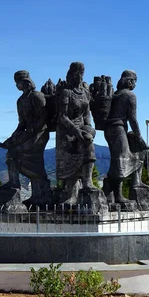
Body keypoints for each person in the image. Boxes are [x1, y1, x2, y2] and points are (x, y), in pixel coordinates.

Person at [0, 70, 51, 206]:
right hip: (27, 133)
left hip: (39, 134)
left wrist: (30, 132)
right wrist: (12, 138)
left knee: (17, 153)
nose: (17, 86)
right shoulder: (20, 101)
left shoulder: (37, 96)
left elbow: (43, 118)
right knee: (11, 151)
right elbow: (21, 123)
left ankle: (39, 191)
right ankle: (13, 183)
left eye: (19, 83)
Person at [103, 70, 149, 204]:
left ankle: (113, 189)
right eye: (135, 82)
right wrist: (139, 136)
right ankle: (118, 195)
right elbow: (133, 119)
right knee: (121, 160)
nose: (135, 85)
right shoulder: (130, 95)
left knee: (119, 158)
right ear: (130, 81)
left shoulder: (115, 95)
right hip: (118, 129)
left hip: (110, 130)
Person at [55, 62, 98, 205]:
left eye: (82, 73)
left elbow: (87, 116)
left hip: (82, 128)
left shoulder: (85, 93)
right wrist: (77, 132)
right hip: (67, 131)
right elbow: (62, 116)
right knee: (71, 161)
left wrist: (89, 130)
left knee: (89, 146)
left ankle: (87, 182)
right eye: (77, 73)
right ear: (71, 74)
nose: (79, 76)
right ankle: (72, 194)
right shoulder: (67, 93)